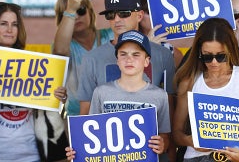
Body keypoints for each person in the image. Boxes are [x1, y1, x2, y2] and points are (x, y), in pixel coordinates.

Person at [0, 2, 67, 162]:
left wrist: (60, 97)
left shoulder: (34, 65)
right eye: (3, 24)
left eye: (14, 24)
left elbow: (50, 112)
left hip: (30, 155)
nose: (10, 29)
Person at [65, 30, 169, 160]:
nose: (129, 59)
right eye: (123, 54)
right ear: (117, 60)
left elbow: (165, 136)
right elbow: (91, 135)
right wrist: (78, 151)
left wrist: (162, 144)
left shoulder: (160, 95)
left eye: (136, 54)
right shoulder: (101, 92)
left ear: (146, 61)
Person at [77, 0, 176, 116]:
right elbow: (85, 113)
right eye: (111, 15)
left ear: (139, 15)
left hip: (151, 134)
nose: (117, 19)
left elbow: (169, 110)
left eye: (124, 13)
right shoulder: (91, 58)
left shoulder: (163, 55)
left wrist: (166, 136)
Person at [172, 18, 239, 162]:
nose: (214, 62)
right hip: (197, 158)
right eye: (207, 56)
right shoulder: (190, 82)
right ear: (199, 52)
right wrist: (191, 141)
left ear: (231, 50)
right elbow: (176, 134)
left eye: (220, 56)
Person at [53, 0, 114, 116]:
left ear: (90, 11)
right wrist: (70, 9)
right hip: (77, 116)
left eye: (80, 10)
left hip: (112, 113)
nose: (76, 17)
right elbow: (60, 51)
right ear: (62, 19)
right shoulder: (64, 46)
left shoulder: (110, 35)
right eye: (70, 13)